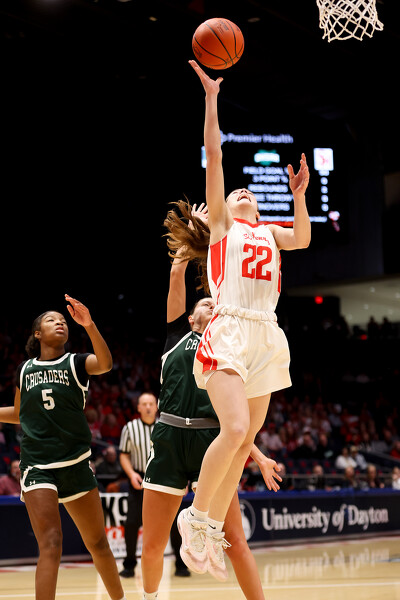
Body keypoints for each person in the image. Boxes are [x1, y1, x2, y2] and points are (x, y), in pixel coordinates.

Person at [176, 58, 311, 580]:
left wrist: (298, 198)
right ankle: (195, 515)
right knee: (233, 429)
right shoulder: (221, 230)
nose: (244, 194)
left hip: (267, 334)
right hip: (230, 327)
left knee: (240, 445)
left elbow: (302, 238)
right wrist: (212, 99)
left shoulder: (272, 232)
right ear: (225, 207)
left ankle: (210, 525)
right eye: (237, 193)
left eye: (248, 193)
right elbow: (214, 155)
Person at [140, 203, 282, 600]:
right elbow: (176, 277)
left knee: (233, 539)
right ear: (190, 318)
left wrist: (258, 456)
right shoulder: (176, 336)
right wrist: (192, 238)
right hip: (170, 438)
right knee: (153, 544)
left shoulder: (231, 348)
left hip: (211, 442)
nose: (210, 304)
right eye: (203, 304)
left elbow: (236, 422)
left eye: (213, 303)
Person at [0, 294, 126, 600]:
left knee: (98, 543)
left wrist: (89, 325)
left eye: (63, 320)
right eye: (51, 319)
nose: (60, 322)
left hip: (76, 462)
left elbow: (106, 364)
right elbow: (20, 413)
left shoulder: (76, 363)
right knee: (51, 543)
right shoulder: (24, 370)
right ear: (37, 333)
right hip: (38, 465)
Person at [118, 392, 189, 578]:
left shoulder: (167, 426)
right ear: (138, 408)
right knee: (131, 523)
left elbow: (178, 455)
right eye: (144, 404)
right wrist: (131, 474)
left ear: (157, 406)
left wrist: (183, 479)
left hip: (166, 478)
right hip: (139, 480)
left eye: (151, 403)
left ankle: (181, 564)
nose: (148, 407)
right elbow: (124, 455)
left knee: (174, 523)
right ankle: (129, 565)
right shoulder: (129, 428)